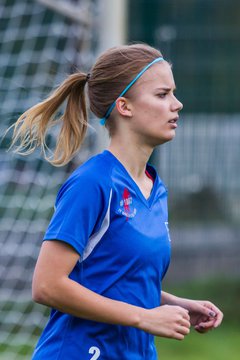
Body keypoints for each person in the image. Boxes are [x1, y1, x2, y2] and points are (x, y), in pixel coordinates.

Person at [11, 43, 223, 359]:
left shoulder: (155, 188)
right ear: (124, 106)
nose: (176, 105)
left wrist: (173, 304)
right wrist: (145, 316)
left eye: (173, 94)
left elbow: (115, 276)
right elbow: (47, 285)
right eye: (162, 95)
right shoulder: (93, 183)